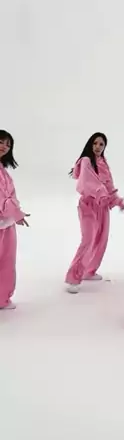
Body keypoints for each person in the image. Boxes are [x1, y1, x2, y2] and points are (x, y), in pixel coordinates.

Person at [65, 133, 124, 293]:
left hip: (102, 207)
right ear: (90, 145)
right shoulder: (86, 161)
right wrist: (102, 194)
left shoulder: (103, 163)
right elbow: (87, 182)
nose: (98, 147)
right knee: (88, 239)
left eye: (101, 144)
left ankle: (89, 271)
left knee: (100, 239)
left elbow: (109, 186)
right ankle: (73, 278)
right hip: (88, 205)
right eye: (95, 143)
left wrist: (119, 202)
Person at [0, 130, 29, 310]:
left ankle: (2, 298)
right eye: (1, 142)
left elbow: (10, 196)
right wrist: (16, 213)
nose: (4, 147)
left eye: (8, 145)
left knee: (7, 262)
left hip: (7, 223)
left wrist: (16, 213)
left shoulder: (4, 172)